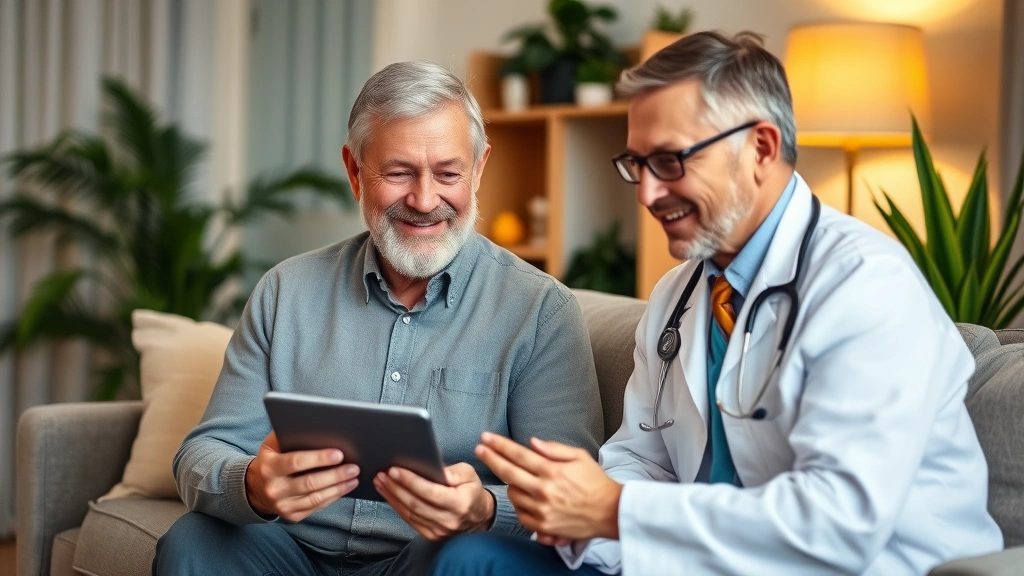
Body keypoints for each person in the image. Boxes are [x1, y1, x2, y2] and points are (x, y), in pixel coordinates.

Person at [430, 31, 1004, 575]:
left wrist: (615, 509)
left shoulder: (866, 285)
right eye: (638, 165)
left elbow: (839, 522)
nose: (648, 193)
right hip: (696, 563)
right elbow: (641, 458)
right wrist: (569, 508)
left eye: (670, 161)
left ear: (761, 147)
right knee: (472, 560)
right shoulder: (677, 294)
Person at [152, 61, 604, 576]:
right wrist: (253, 483)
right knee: (192, 541)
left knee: (458, 557)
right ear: (354, 171)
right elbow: (203, 452)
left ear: (479, 169)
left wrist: (484, 510)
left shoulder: (540, 311)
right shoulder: (285, 291)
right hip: (289, 554)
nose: (425, 200)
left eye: (449, 173)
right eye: (398, 173)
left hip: (426, 559)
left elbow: (572, 496)